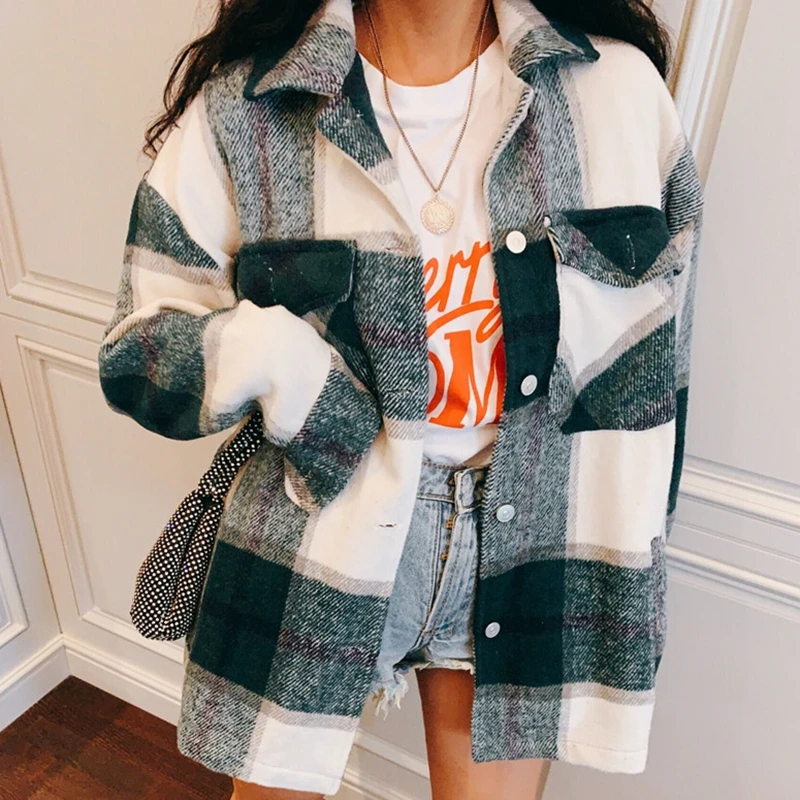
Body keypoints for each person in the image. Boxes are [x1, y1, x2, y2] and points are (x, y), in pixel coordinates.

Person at [97, 0, 704, 798]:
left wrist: (638, 544)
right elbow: (139, 348)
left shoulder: (617, 91)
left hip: (538, 541)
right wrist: (294, 377)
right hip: (319, 524)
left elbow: (659, 372)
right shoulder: (249, 109)